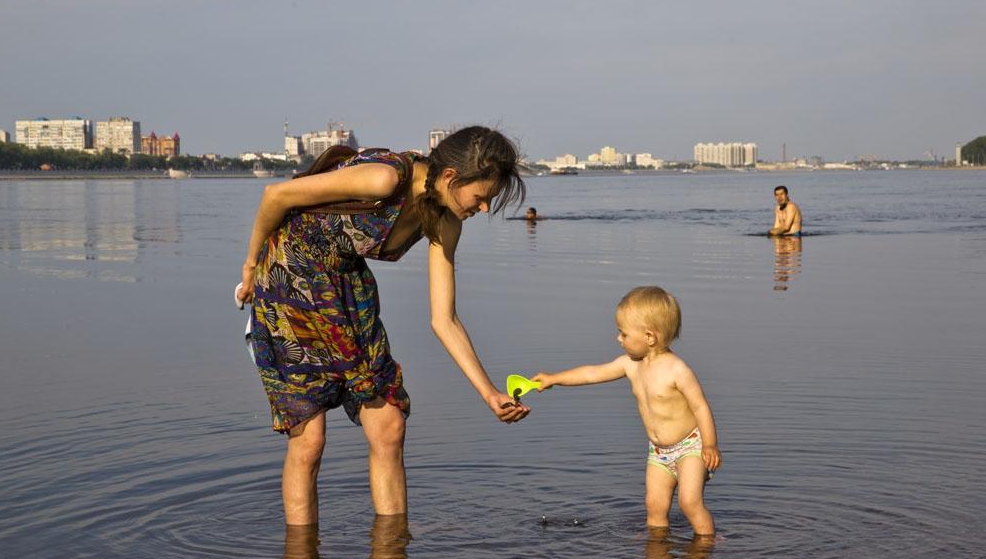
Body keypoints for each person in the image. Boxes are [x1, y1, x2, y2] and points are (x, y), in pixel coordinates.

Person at [236, 126, 530, 526]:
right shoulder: (385, 178)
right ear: (449, 178)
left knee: (390, 424)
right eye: (480, 198)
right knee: (310, 440)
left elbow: (443, 318)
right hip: (290, 283)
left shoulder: (446, 222)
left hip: (346, 288)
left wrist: (490, 392)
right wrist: (251, 267)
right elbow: (276, 196)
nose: (482, 210)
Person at [531, 286, 721, 534]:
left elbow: (701, 407)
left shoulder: (677, 370)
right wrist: (553, 378)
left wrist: (710, 444)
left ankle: (707, 548)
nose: (618, 339)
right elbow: (592, 373)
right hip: (659, 453)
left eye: (623, 334)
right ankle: (657, 554)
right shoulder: (630, 365)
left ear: (649, 337)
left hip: (690, 448)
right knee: (654, 506)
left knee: (689, 503)